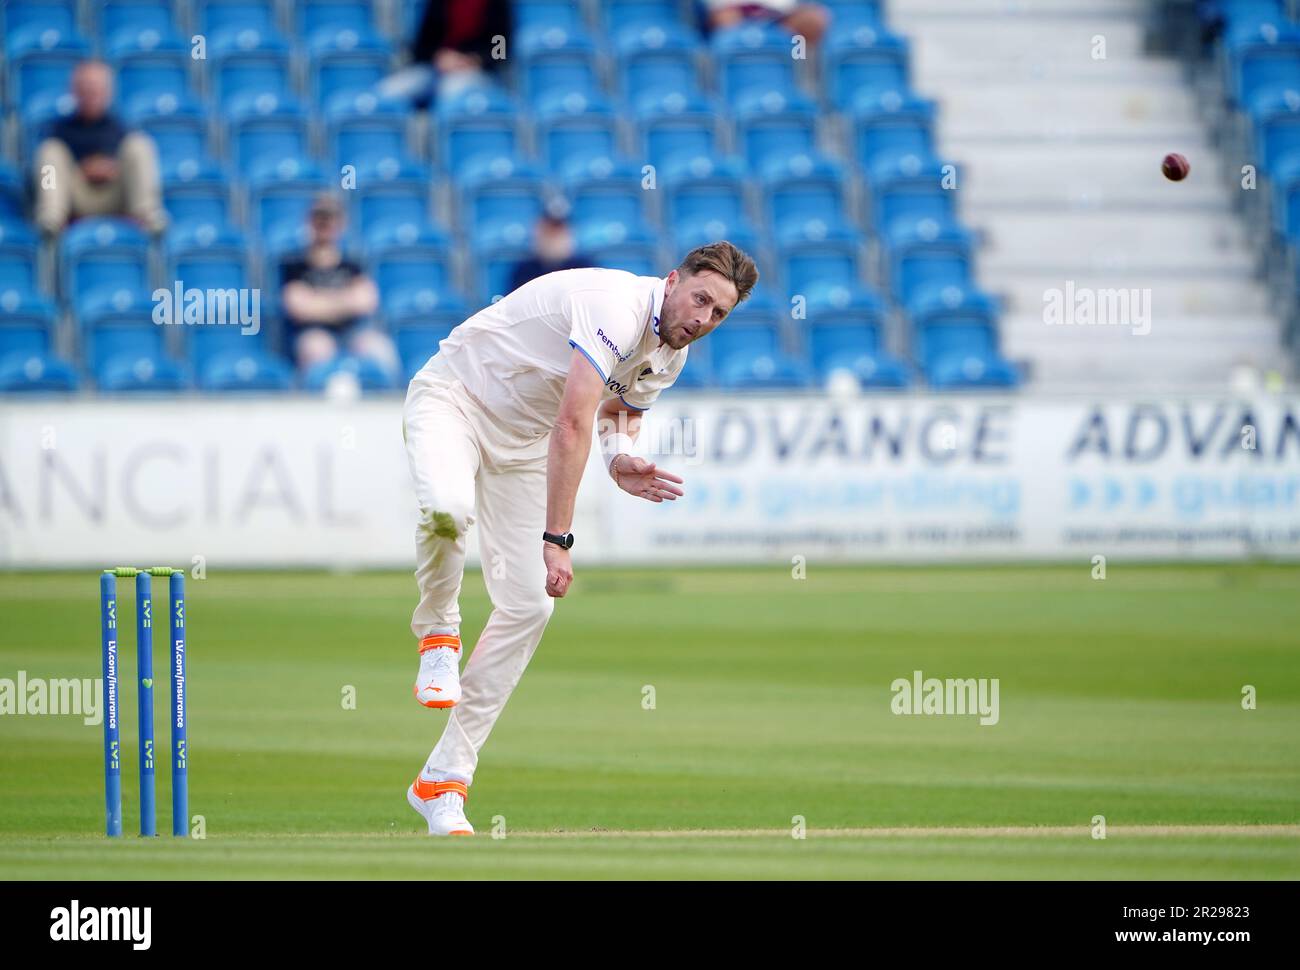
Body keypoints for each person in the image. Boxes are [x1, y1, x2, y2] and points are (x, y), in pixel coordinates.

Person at [402, 241, 758, 836]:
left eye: (718, 314)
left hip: (523, 444)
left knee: (531, 605)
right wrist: (558, 539)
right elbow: (573, 422)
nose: (702, 319)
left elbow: (620, 410)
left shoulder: (672, 352)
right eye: (700, 300)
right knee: (446, 509)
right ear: (672, 281)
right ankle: (439, 634)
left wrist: (622, 459)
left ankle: (444, 780)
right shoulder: (615, 304)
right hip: (454, 400)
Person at [33, 60, 166, 237]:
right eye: (85, 88)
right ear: (74, 91)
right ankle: (50, 219)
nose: (91, 94)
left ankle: (149, 215)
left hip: (114, 194)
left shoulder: (123, 128)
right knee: (49, 152)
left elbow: (125, 164)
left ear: (108, 92)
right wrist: (83, 169)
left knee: (140, 146)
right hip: (75, 196)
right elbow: (41, 172)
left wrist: (108, 168)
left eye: (96, 88)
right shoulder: (57, 129)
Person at [279, 193, 397, 375]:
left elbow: (367, 302)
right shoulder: (294, 265)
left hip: (353, 332)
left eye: (330, 217)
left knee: (380, 349)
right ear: (309, 222)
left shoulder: (352, 265)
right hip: (313, 333)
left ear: (340, 224)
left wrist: (319, 302)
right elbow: (298, 307)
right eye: (319, 217)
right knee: (318, 349)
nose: (325, 223)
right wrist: (345, 301)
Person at [376, 0, 514, 109]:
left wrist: (474, 60)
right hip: (435, 68)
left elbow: (501, 48)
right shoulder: (438, 3)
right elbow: (421, 46)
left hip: (477, 70)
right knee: (388, 91)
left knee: (451, 92)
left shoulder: (496, 3)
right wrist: (439, 57)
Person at [506, 206, 593, 294]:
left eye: (558, 232)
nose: (554, 239)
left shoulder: (584, 269)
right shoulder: (523, 270)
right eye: (548, 232)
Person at [704, 0, 829, 47]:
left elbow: (787, 7)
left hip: (779, 20)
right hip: (736, 16)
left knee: (812, 21)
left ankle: (799, 70)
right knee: (727, 19)